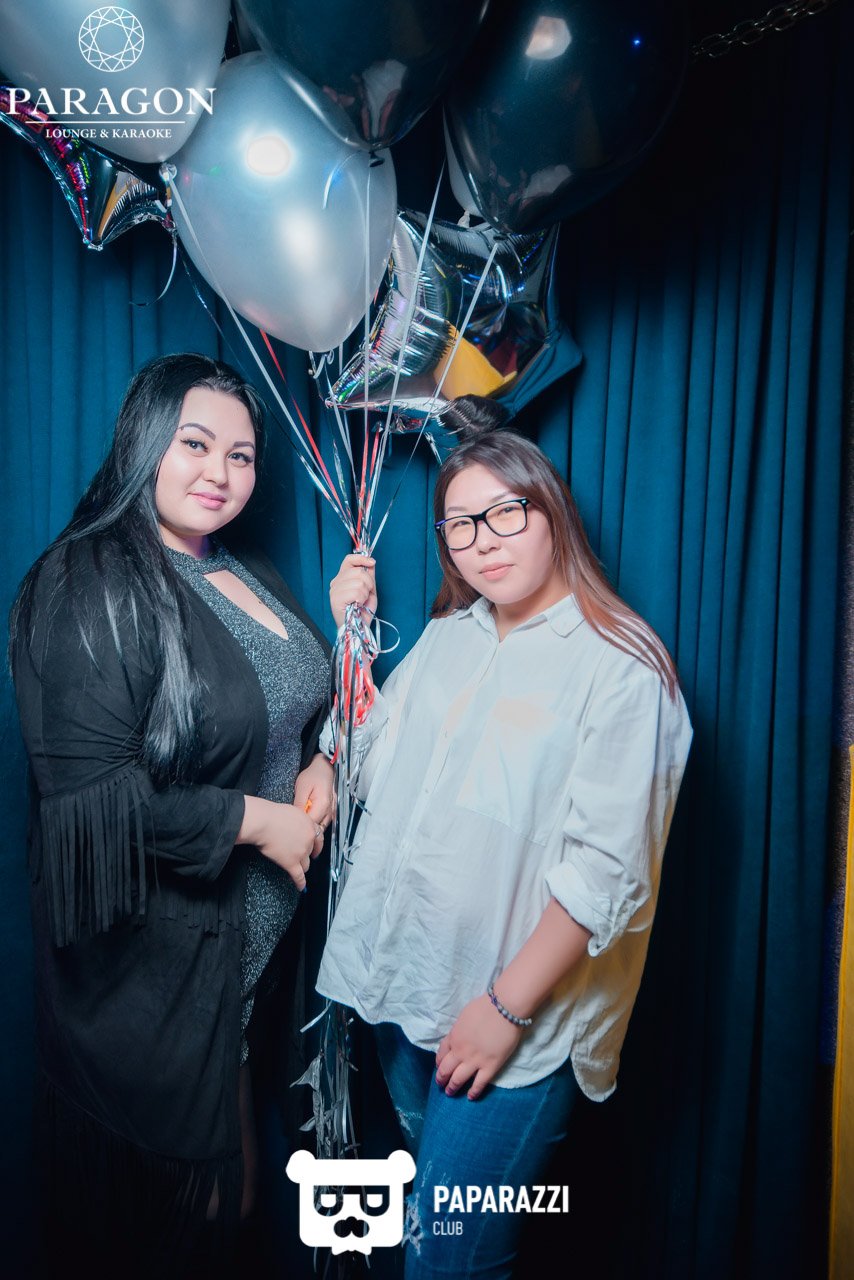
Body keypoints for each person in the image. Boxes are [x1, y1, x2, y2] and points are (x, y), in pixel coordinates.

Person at [318, 397, 693, 1279]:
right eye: (458, 525)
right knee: (424, 1233)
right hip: (406, 988)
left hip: (512, 1026)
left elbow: (606, 876)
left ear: (549, 509)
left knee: (451, 1263)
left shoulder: (623, 668)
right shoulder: (450, 636)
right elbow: (370, 757)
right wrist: (347, 661)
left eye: (503, 513)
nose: (481, 542)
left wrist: (504, 1011)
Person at [9, 353, 334, 1275]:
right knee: (182, 1224)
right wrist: (260, 822)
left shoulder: (241, 566)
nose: (219, 473)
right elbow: (94, 809)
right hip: (153, 977)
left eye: (241, 455)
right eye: (195, 444)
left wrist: (320, 762)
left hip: (248, 963)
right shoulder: (86, 581)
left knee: (238, 1205)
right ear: (143, 440)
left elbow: (288, 710)